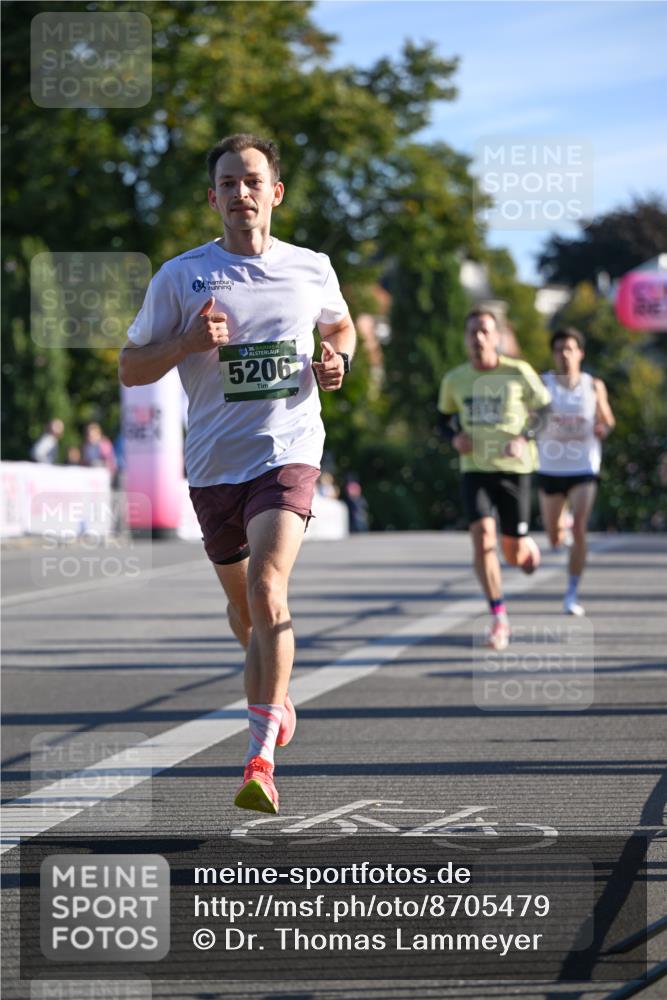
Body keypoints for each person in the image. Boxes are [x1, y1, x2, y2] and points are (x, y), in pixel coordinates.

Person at [119, 133, 355, 815]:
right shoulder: (181, 276)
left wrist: (338, 362)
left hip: (287, 452)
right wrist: (185, 343)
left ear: (274, 192)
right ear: (213, 197)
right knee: (245, 610)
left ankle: (260, 760)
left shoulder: (310, 268)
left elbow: (341, 328)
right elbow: (130, 367)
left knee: (267, 586)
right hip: (213, 466)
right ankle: (273, 689)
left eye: (252, 181)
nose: (240, 193)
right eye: (227, 183)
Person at [437, 309, 551, 650]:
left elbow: (545, 411)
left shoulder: (518, 372)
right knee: (483, 538)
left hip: (515, 469)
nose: (478, 338)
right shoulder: (455, 379)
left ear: (497, 337)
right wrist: (455, 437)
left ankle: (523, 547)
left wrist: (524, 437)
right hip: (475, 468)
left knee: (512, 552)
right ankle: (499, 617)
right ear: (465, 338)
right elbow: (443, 419)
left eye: (485, 331)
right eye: (472, 331)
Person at [536, 327, 615, 616]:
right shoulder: (543, 384)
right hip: (550, 466)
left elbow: (608, 420)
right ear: (553, 355)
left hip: (584, 466)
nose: (564, 355)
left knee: (580, 527)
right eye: (559, 350)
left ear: (580, 353)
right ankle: (562, 526)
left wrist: (602, 428)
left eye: (570, 349)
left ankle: (571, 592)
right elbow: (529, 419)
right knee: (554, 538)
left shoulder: (593, 385)